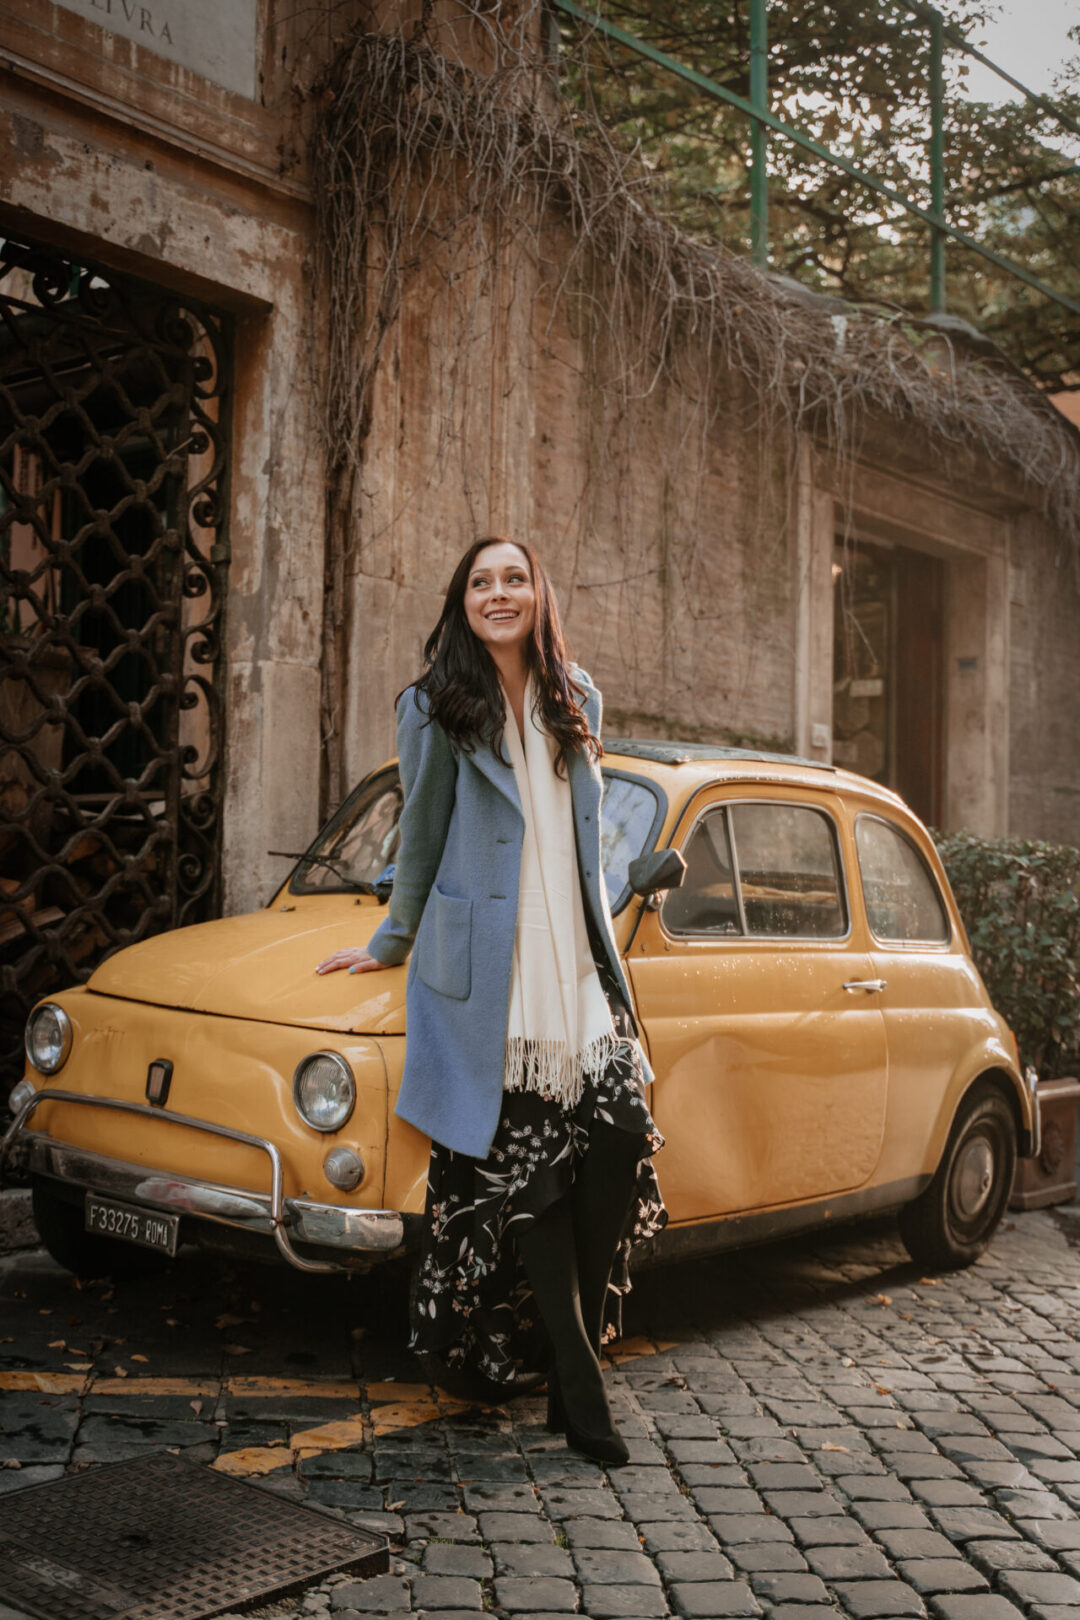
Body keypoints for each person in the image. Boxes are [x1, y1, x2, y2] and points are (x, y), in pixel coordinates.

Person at [316, 537, 664, 1465]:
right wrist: (388, 942)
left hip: (577, 964)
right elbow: (420, 841)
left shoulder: (575, 696)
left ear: (538, 592)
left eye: (514, 578)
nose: (498, 593)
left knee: (620, 1134)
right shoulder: (433, 707)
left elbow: (589, 840)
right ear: (462, 601)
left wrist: (623, 887)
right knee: (534, 1177)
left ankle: (567, 1350)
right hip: (488, 973)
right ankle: (579, 1385)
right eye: (481, 582)